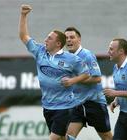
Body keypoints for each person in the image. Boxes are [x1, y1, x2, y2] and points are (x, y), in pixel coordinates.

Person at [19, 5, 90, 140]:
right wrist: (23, 15)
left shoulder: (72, 59)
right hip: (47, 106)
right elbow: (23, 36)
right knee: (61, 138)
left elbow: (86, 74)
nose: (45, 40)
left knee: (53, 138)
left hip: (65, 107)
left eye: (49, 38)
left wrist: (72, 81)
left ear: (58, 44)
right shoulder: (40, 52)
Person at [64, 27, 112, 140]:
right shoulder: (65, 58)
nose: (69, 40)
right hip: (77, 105)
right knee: (68, 137)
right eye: (66, 38)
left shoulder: (87, 55)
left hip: (94, 103)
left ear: (79, 39)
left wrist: (74, 80)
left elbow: (97, 78)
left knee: (107, 137)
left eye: (72, 37)